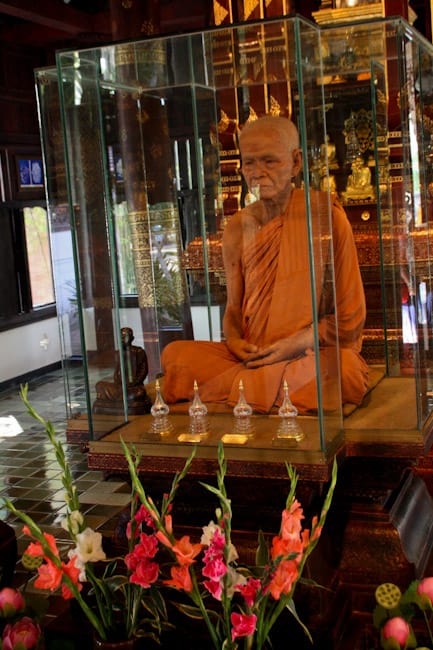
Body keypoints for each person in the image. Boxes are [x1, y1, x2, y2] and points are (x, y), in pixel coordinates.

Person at [161, 116, 369, 414]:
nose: (257, 173)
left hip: (307, 353)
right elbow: (234, 310)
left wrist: (292, 344)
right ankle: (262, 387)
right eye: (249, 163)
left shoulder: (326, 217)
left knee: (345, 370)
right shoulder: (238, 227)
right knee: (175, 355)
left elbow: (350, 318)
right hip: (253, 356)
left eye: (270, 161)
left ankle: (244, 389)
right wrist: (234, 342)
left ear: (296, 162)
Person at [94, 327, 151, 413]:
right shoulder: (120, 353)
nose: (121, 340)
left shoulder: (139, 352)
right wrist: (119, 383)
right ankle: (120, 396)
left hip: (134, 387)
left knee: (139, 393)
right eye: (120, 337)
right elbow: (117, 372)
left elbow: (143, 371)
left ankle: (116, 396)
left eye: (124, 337)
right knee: (99, 385)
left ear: (131, 338)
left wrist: (133, 383)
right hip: (120, 387)